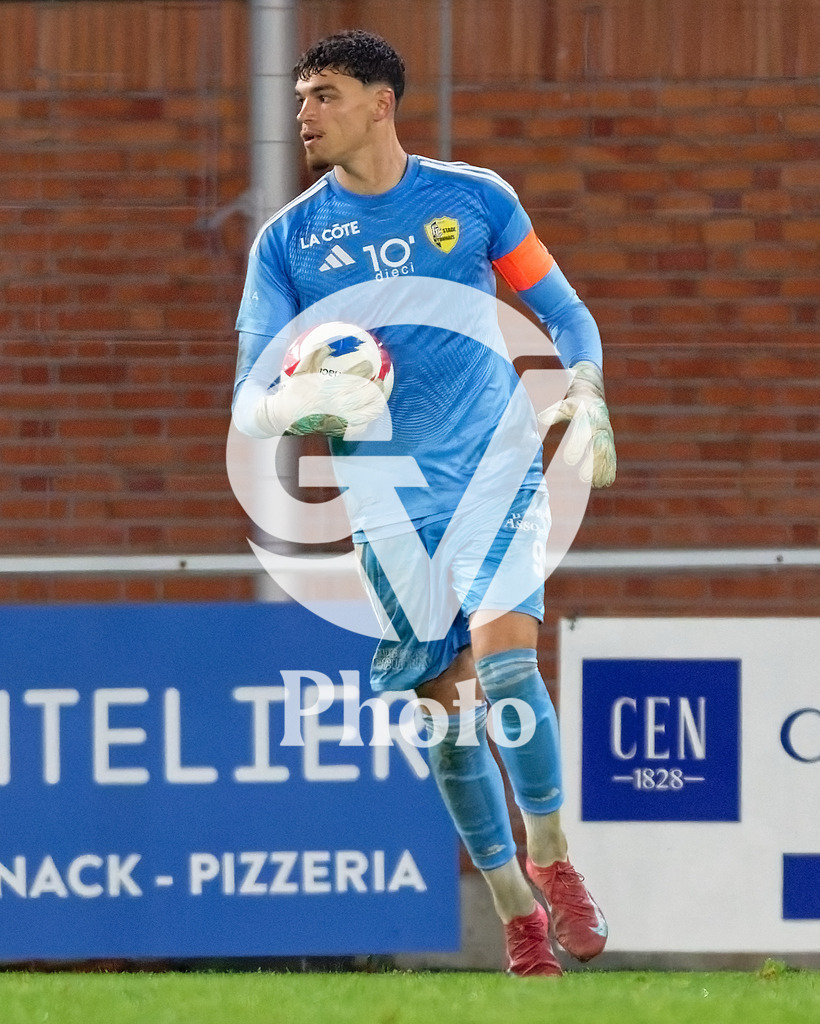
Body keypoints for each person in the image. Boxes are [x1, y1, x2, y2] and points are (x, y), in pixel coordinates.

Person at [232, 29, 616, 977]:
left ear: (379, 102)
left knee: (508, 664)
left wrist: (588, 385)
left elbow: (564, 310)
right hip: (387, 503)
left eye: (323, 94)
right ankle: (514, 906)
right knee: (447, 720)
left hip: (494, 465)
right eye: (299, 96)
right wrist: (297, 399)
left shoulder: (474, 199)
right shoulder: (287, 242)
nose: (304, 114)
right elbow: (247, 398)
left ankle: (556, 858)